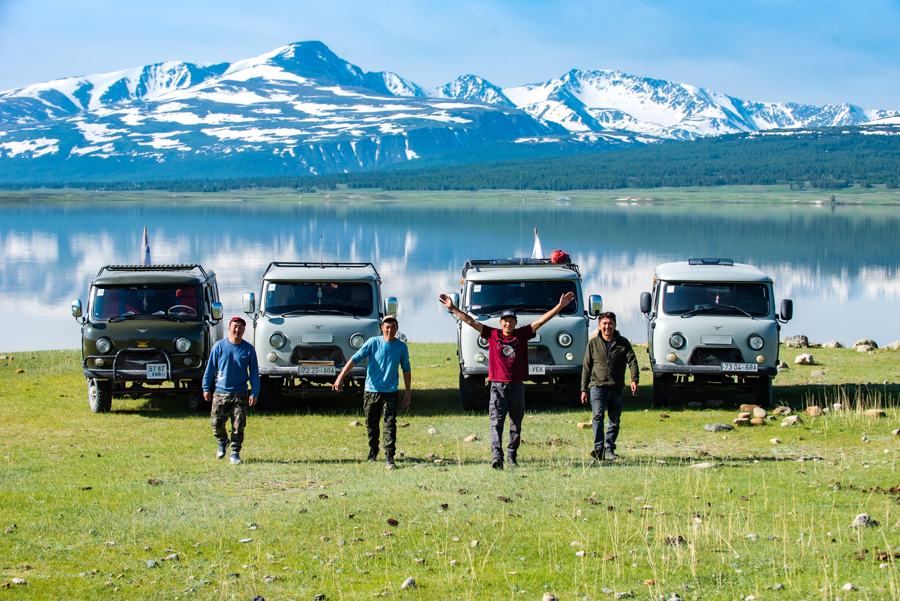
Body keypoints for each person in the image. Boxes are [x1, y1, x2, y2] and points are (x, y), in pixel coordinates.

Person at [440, 291, 575, 469]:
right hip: (497, 387)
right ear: (500, 322)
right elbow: (471, 321)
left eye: (511, 321)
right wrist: (453, 308)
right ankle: (497, 457)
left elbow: (541, 321)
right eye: (505, 321)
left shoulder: (522, 334)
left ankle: (512, 455)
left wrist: (560, 306)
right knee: (496, 423)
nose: (508, 323)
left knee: (516, 423)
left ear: (515, 323)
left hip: (517, 386)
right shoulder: (492, 334)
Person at [333, 316, 411, 469]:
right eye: (387, 327)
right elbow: (355, 359)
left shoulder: (401, 347)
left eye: (393, 327)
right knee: (371, 423)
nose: (390, 330)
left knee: (390, 423)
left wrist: (408, 393)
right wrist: (340, 377)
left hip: (391, 391)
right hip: (371, 390)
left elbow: (406, 369)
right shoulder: (373, 343)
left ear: (397, 328)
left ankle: (389, 456)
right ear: (382, 328)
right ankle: (373, 449)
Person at [580, 311, 639, 461]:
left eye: (610, 323)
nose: (607, 327)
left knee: (614, 419)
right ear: (599, 325)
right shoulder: (593, 343)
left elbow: (632, 361)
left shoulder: (623, 343)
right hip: (597, 387)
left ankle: (609, 449)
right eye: (604, 324)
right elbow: (587, 367)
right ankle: (598, 449)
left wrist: (634, 380)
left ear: (615, 325)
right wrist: (584, 389)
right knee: (598, 417)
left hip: (616, 387)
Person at [203, 317, 259, 465]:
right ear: (229, 328)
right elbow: (210, 369)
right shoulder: (219, 346)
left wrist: (254, 392)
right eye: (235, 326)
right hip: (220, 392)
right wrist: (206, 388)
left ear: (244, 330)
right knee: (216, 423)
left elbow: (254, 372)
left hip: (240, 392)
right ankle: (223, 441)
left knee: (238, 425)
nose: (237, 330)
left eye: (240, 327)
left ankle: (235, 452)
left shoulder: (248, 349)